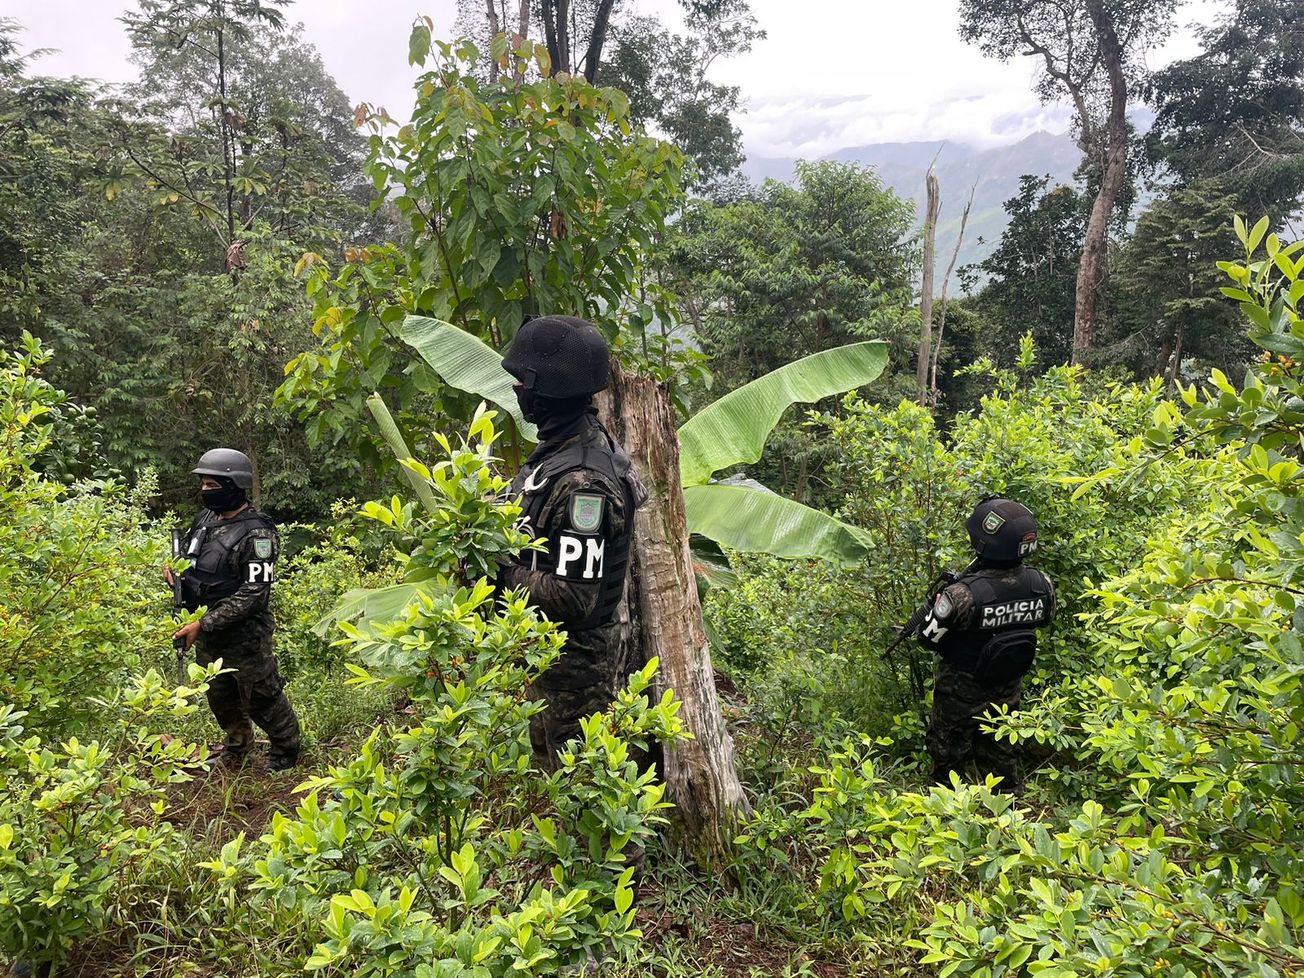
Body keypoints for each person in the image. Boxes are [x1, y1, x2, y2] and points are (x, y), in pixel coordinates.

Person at [498, 315, 647, 767]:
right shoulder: (559, 452)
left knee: (584, 801)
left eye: (523, 382)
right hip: (551, 664)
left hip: (578, 673)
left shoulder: (586, 484)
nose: (517, 390)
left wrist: (497, 570)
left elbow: (575, 596)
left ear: (549, 390)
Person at [169, 448, 300, 772]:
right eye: (203, 485)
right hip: (205, 627)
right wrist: (175, 572)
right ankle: (237, 747)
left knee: (261, 695)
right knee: (220, 695)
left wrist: (204, 623)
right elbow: (193, 558)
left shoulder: (258, 534)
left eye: (213, 486)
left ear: (234, 485)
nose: (205, 492)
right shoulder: (205, 521)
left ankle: (286, 751)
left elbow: (254, 592)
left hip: (244, 633)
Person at [915, 497, 1055, 792]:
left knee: (947, 759)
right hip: (1008, 690)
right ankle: (1008, 813)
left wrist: (943, 607)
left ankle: (946, 815)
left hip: (959, 693)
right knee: (1003, 756)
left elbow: (927, 639)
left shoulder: (962, 594)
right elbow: (1042, 620)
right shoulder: (1041, 583)